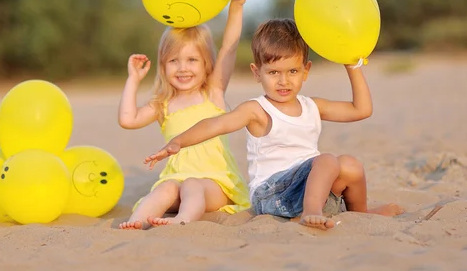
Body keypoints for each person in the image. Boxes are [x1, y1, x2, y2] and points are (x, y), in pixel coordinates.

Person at [145, 18, 404, 230]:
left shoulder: (312, 105)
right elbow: (215, 125)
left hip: (307, 185)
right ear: (257, 73)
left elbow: (361, 110)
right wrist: (177, 142)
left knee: (350, 164)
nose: (283, 81)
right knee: (327, 160)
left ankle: (361, 212)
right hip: (271, 195)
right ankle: (310, 212)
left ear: (306, 71)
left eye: (292, 71)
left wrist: (352, 64)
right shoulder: (257, 110)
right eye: (273, 73)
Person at [118, 0, 252, 230]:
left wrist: (237, 6)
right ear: (163, 65)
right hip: (175, 181)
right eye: (173, 61)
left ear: (206, 64)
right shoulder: (163, 104)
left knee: (192, 184)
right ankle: (135, 223)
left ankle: (182, 220)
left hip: (215, 185)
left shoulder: (213, 93)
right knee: (164, 189)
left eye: (192, 60)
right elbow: (128, 120)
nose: (183, 68)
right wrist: (133, 79)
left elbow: (229, 47)